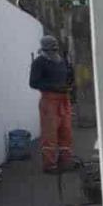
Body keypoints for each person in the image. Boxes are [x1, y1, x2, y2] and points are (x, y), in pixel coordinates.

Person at [29, 35, 74, 173]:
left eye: (55, 46)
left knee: (65, 131)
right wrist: (54, 87)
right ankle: (49, 165)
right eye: (50, 47)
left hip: (64, 99)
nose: (53, 49)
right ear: (44, 47)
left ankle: (65, 161)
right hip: (49, 100)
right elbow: (33, 83)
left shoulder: (62, 61)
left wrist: (69, 83)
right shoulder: (39, 62)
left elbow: (68, 76)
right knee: (50, 134)